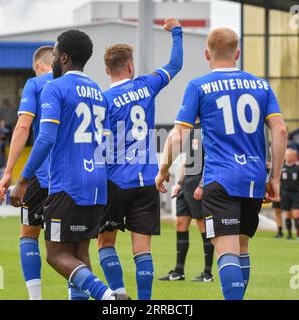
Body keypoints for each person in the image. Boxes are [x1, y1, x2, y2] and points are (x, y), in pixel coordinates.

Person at [155, 27, 287, 300]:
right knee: (241, 249)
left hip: (220, 179)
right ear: (237, 53)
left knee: (226, 251)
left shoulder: (199, 86)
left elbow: (179, 134)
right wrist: (274, 177)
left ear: (207, 54)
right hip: (252, 177)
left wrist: (164, 169)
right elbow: (280, 130)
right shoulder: (262, 85)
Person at [9, 29, 129, 300]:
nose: (51, 59)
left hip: (68, 184)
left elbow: (45, 138)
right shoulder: (98, 92)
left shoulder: (54, 87)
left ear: (63, 57)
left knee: (56, 255)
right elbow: (108, 143)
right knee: (80, 254)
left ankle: (108, 296)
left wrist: (24, 178)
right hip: (97, 184)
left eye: (53, 53)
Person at [97, 18, 183, 300]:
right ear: (131, 67)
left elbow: (101, 142)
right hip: (147, 179)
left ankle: (119, 294)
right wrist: (177, 33)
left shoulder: (103, 99)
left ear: (107, 70)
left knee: (105, 242)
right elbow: (175, 65)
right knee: (142, 248)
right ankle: (145, 302)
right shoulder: (147, 84)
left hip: (114, 180)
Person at [0, 46, 54, 300]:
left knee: (28, 233)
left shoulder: (36, 83)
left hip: (42, 173)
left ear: (39, 65)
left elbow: (23, 126)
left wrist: (8, 172)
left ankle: (35, 298)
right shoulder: (79, 85)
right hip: (77, 176)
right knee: (73, 246)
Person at [158, 123, 214, 282]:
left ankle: (208, 273)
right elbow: (186, 161)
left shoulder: (206, 130)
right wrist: (180, 183)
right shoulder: (188, 130)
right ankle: (178, 271)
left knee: (202, 225)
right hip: (187, 184)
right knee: (181, 224)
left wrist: (202, 185)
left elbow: (210, 160)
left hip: (198, 183)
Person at [281, 147, 299, 240]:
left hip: (295, 193)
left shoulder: (298, 168)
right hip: (284, 193)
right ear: (284, 157)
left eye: (290, 155)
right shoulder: (282, 167)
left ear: (294, 157)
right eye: (287, 155)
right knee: (287, 214)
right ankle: (289, 234)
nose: (289, 157)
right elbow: (278, 182)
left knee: (296, 214)